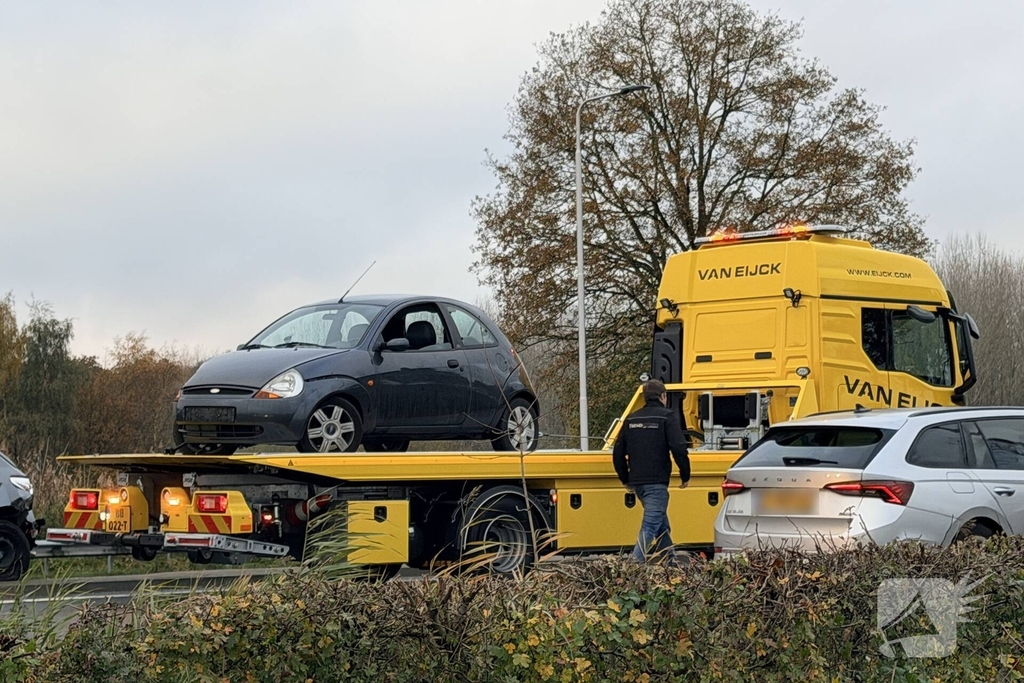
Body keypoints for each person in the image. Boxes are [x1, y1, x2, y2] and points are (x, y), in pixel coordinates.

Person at [612, 379, 691, 564]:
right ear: (663, 396)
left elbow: (617, 453)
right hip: (657, 483)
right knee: (650, 526)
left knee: (661, 525)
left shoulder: (631, 419)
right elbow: (679, 448)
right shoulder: (667, 417)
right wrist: (685, 475)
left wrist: (625, 478)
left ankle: (671, 563)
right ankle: (632, 568)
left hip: (638, 483)